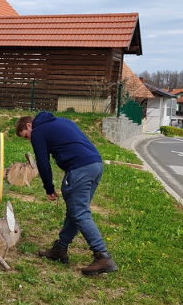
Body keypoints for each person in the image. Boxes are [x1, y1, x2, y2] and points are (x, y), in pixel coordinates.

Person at [16, 112, 118, 275]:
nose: (29, 140)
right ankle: (60, 249)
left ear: (29, 126)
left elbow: (43, 162)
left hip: (80, 168)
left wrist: (48, 188)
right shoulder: (61, 121)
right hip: (96, 165)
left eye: (26, 136)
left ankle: (103, 256)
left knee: (79, 212)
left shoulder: (38, 131)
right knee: (75, 210)